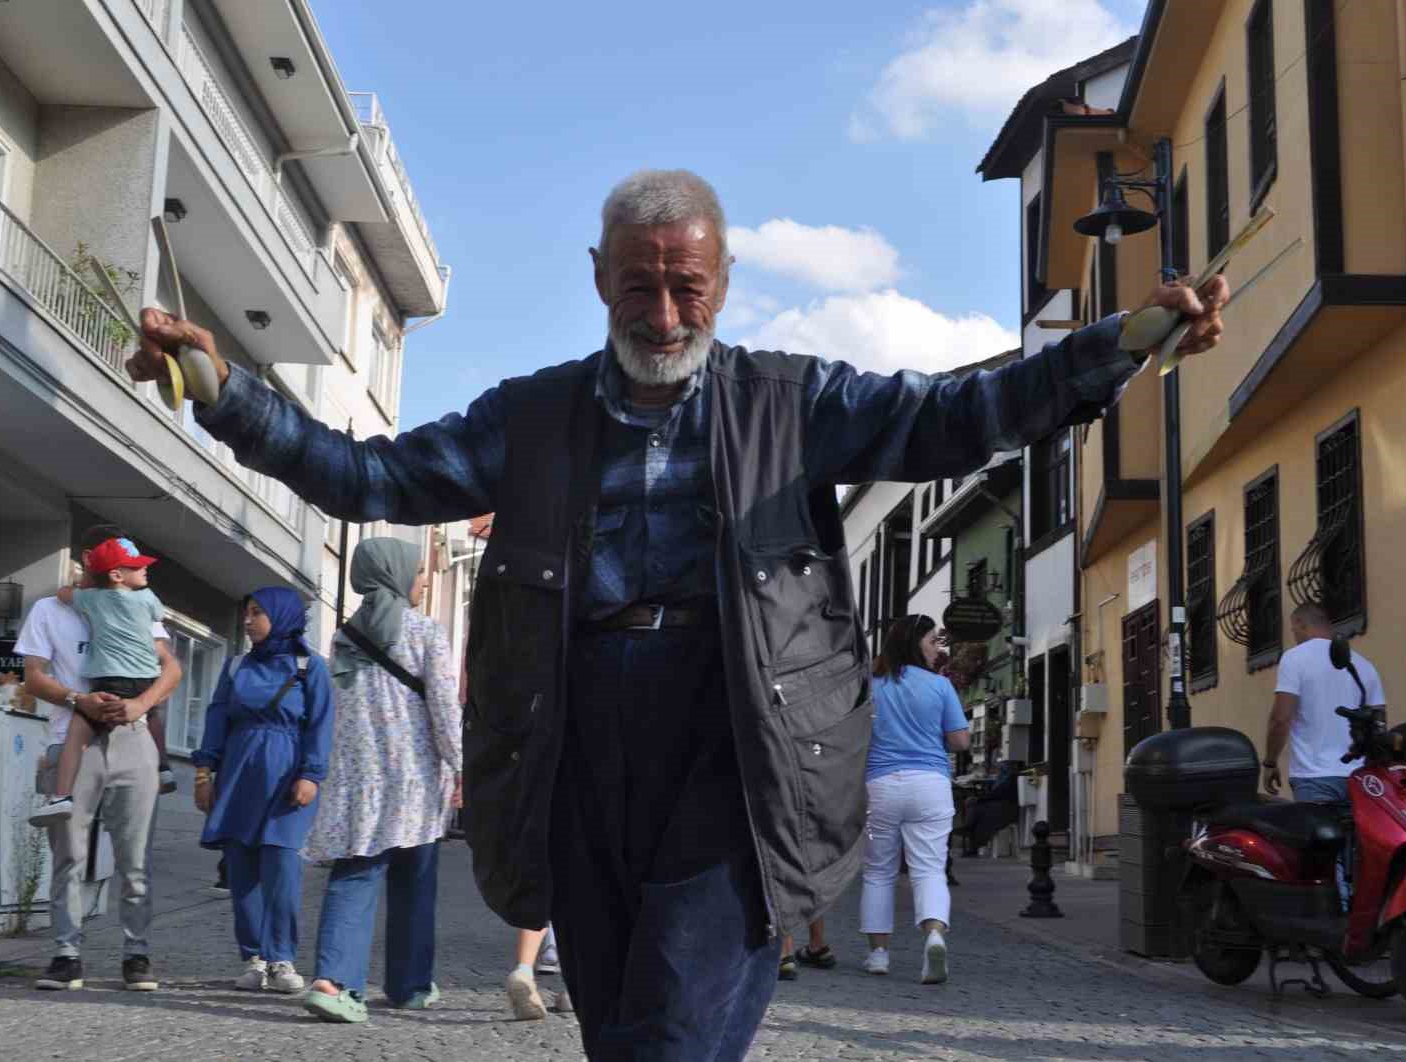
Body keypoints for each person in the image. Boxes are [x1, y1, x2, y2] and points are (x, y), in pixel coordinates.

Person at [129, 169, 1228, 1060]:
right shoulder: (533, 416)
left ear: (725, 282)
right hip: (572, 732)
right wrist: (229, 397)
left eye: (686, 290)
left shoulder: (793, 402)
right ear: (599, 278)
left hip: (736, 736)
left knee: (671, 1017)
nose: (663, 316)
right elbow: (364, 476)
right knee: (620, 1024)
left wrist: (1115, 344)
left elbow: (958, 417)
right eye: (638, 289)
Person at [300, 539, 462, 1023]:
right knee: (416, 882)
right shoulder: (424, 632)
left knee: (355, 874)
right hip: (414, 781)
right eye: (417, 571)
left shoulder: (345, 636)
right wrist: (462, 765)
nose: (423, 579)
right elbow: (444, 709)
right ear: (393, 574)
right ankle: (409, 986)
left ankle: (332, 981)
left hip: (360, 780)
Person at [18, 524, 182, 993]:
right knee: (69, 855)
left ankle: (137, 954)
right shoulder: (50, 608)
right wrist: (76, 699)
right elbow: (32, 677)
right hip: (71, 739)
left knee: (135, 859)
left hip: (132, 735)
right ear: (93, 559)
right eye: (125, 559)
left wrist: (140, 705)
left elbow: (169, 667)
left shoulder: (137, 603)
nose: (132, 565)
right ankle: (66, 955)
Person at [194, 588, 334, 995]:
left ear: (282, 616)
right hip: (239, 775)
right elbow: (217, 718)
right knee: (241, 869)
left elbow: (321, 725)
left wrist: (311, 774)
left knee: (282, 867)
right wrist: (204, 774)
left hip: (289, 774)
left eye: (258, 613)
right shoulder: (236, 666)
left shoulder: (311, 667)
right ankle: (254, 957)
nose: (248, 620)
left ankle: (282, 957)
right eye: (247, 612)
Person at [859, 616, 970, 983]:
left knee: (878, 872)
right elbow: (960, 741)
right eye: (932, 640)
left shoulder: (871, 686)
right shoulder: (940, 687)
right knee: (929, 869)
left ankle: (878, 954)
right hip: (929, 785)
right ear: (915, 643)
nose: (938, 647)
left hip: (881, 785)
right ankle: (935, 935)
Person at [30, 536, 164, 825]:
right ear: (117, 574)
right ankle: (164, 766)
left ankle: (61, 797)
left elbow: (64, 594)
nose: (143, 570)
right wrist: (141, 703)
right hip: (144, 680)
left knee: (77, 733)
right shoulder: (147, 599)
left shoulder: (93, 600)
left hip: (111, 681)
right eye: (136, 566)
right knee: (152, 713)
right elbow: (168, 662)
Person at [1262, 601, 1386, 908]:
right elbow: (1380, 723)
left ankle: (1323, 925)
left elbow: (1281, 717)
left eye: (1294, 630)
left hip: (1314, 777)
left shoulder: (1295, 659)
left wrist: (1270, 761)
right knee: (1354, 852)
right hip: (1359, 777)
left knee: (1318, 856)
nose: (1294, 636)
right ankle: (1355, 921)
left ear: (1302, 625)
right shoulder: (1363, 664)